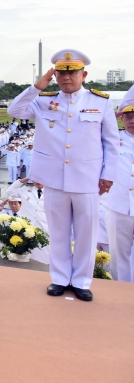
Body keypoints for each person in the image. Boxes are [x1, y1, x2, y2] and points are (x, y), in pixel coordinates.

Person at [8, 49, 118, 301]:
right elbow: (15, 109)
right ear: (54, 74)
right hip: (54, 179)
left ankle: (81, 281)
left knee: (86, 234)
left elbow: (111, 142)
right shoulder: (43, 100)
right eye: (61, 72)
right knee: (57, 232)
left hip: (87, 178)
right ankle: (59, 278)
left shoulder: (99, 102)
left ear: (84, 74)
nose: (67, 77)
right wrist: (37, 86)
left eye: (72, 72)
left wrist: (108, 173)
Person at [101, 84, 134, 282]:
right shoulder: (113, 140)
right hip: (119, 206)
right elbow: (87, 137)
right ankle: (122, 294)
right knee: (118, 258)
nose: (132, 121)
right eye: (128, 116)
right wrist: (108, 118)